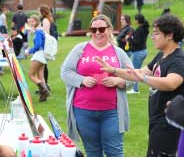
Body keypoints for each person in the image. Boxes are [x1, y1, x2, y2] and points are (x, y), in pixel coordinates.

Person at [96, 14, 184, 157]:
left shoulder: (178, 59)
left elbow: (171, 83)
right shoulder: (161, 56)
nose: (152, 37)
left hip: (169, 125)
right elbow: (138, 73)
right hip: (157, 121)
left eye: (156, 34)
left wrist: (143, 78)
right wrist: (114, 70)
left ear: (170, 35)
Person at [61, 14, 133, 157]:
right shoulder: (80, 49)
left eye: (101, 29)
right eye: (94, 30)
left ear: (109, 29)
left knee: (115, 151)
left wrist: (118, 81)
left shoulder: (118, 52)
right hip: (83, 111)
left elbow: (132, 75)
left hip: (112, 112)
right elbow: (65, 72)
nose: (98, 33)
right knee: (93, 152)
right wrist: (82, 80)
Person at [25, 15, 49, 102]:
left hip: (38, 55)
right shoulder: (39, 31)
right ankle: (44, 96)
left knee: (31, 75)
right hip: (42, 55)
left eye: (33, 21)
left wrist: (29, 51)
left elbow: (38, 45)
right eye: (30, 21)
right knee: (40, 76)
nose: (31, 23)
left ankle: (44, 90)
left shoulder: (38, 31)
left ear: (37, 22)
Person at [127, 14, 149, 94]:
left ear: (138, 20)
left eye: (135, 19)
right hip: (144, 51)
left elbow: (137, 42)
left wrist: (129, 39)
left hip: (138, 52)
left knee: (135, 71)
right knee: (139, 71)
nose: (134, 21)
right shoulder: (144, 28)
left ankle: (135, 89)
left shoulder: (139, 30)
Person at [38, 4, 57, 93]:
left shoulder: (45, 20)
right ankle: (44, 86)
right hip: (46, 45)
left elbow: (46, 34)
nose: (38, 13)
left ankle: (44, 86)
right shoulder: (48, 19)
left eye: (39, 11)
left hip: (45, 45)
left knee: (42, 66)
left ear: (42, 12)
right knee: (43, 66)